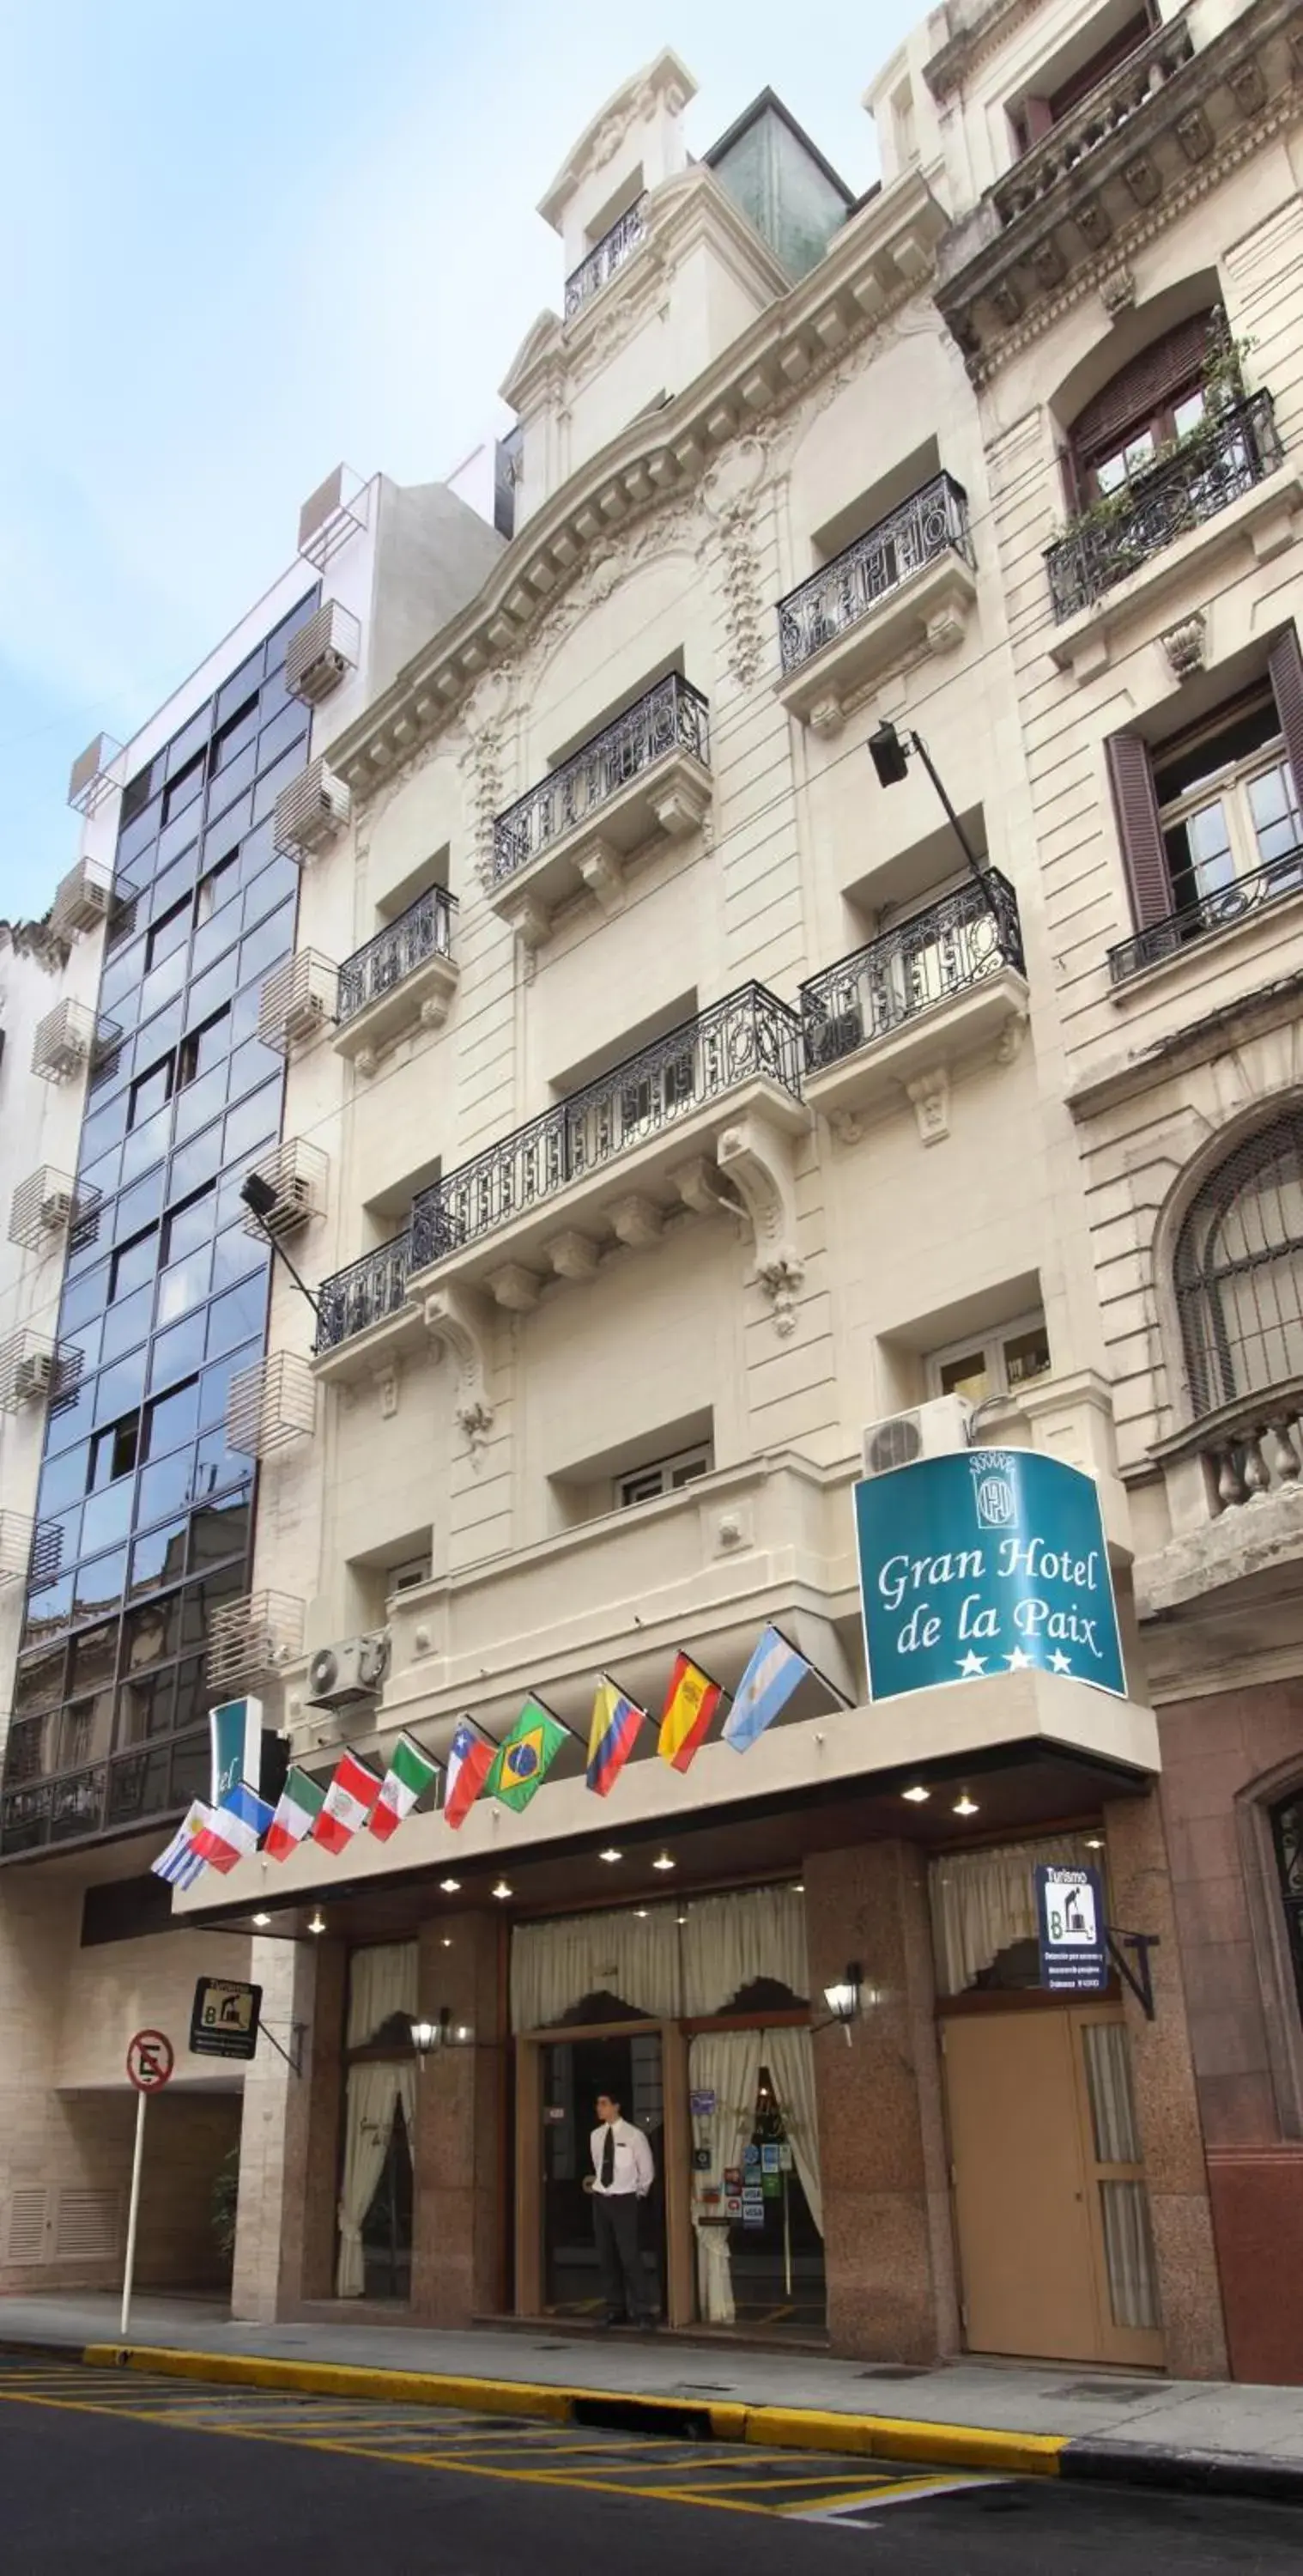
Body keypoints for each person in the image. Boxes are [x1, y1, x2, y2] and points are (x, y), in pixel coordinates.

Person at [585, 2087, 657, 2328]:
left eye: (604, 2103)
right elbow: (598, 2164)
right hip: (602, 2198)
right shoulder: (595, 2136)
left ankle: (643, 2309)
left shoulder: (634, 2135)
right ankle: (615, 2307)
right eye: (598, 2103)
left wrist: (637, 2194)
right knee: (607, 2255)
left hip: (625, 2198)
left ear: (616, 2106)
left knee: (629, 2255)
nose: (599, 2108)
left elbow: (646, 2171)